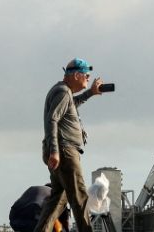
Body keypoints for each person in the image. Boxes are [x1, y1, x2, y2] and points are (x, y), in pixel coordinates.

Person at [35, 58, 104, 232]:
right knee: (80, 198)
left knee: (58, 198)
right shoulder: (63, 92)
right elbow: (52, 119)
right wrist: (55, 151)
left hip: (61, 150)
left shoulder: (63, 93)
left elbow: (72, 105)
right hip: (65, 151)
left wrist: (91, 93)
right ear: (76, 75)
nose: (88, 79)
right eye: (86, 76)